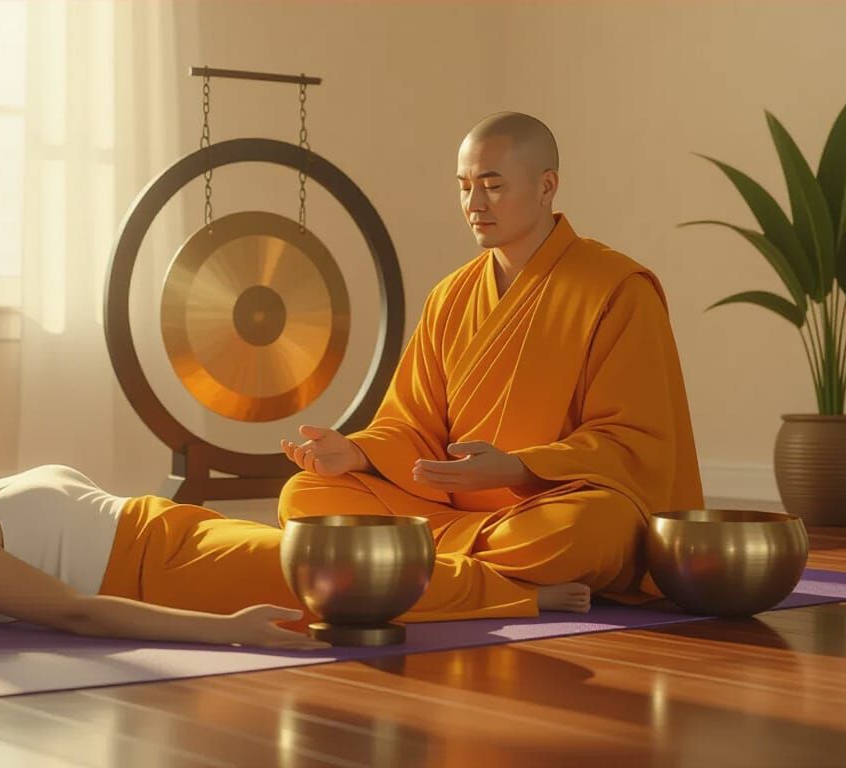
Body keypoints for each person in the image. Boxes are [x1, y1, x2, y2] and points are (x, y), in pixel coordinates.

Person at [0, 346, 592, 652]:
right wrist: (228, 633)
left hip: (189, 536)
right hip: (172, 574)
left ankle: (514, 569)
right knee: (363, 568)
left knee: (365, 530)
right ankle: (534, 593)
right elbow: (72, 612)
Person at [280, 112, 703, 620]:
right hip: (449, 514)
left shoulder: (616, 289)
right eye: (464, 187)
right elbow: (413, 424)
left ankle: (421, 571)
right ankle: (496, 584)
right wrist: (359, 454)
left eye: (492, 186)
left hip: (547, 511)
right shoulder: (451, 295)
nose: (474, 205)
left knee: (590, 529)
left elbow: (635, 442)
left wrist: (520, 468)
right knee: (305, 497)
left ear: (547, 186)